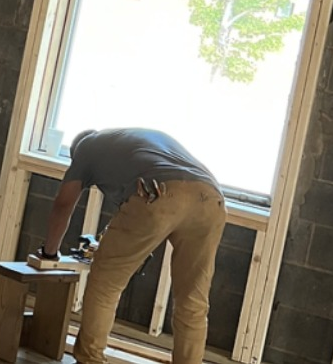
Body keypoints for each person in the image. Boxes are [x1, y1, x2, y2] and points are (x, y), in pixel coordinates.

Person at [37, 128, 225, 364]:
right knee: (193, 301)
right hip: (212, 201)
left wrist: (49, 253)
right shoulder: (131, 143)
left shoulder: (85, 147)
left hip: (160, 192)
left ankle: (89, 360)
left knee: (105, 285)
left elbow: (63, 204)